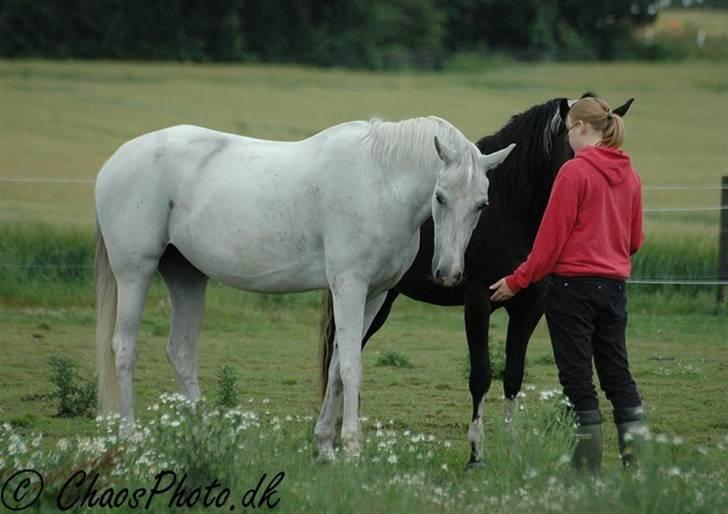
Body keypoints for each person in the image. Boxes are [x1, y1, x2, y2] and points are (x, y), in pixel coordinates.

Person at [489, 96, 646, 473]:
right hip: (613, 288)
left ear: (578, 128)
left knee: (577, 380)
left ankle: (585, 471)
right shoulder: (631, 175)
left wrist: (516, 280)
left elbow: (548, 244)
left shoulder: (573, 173)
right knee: (618, 375)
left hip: (571, 290)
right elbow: (634, 241)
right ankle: (640, 465)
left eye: (567, 131)